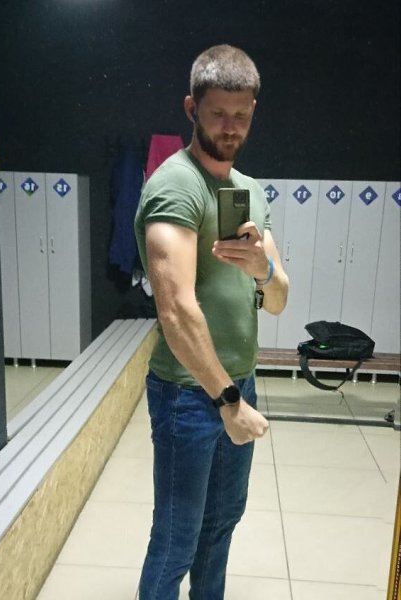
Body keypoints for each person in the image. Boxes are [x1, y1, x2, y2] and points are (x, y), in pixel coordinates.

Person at [134, 44, 289, 600]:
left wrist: (261, 268)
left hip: (237, 383)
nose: (230, 126)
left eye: (241, 114)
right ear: (191, 108)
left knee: (220, 528)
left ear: (254, 112)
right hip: (190, 394)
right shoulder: (176, 185)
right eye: (218, 113)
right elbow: (175, 310)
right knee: (177, 540)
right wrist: (228, 401)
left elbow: (278, 299)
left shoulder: (247, 191)